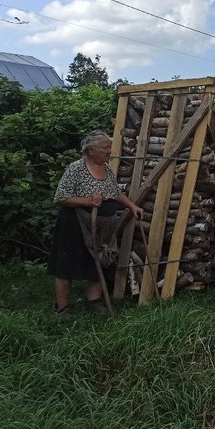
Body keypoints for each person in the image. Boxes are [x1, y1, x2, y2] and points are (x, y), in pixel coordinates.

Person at [47, 130, 143, 314]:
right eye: (106, 147)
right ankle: (62, 307)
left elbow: (115, 192)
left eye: (110, 147)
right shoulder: (76, 168)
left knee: (100, 261)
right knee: (67, 264)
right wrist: (87, 201)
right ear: (91, 150)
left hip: (102, 227)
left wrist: (132, 206)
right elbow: (61, 197)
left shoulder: (106, 168)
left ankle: (94, 301)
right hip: (75, 224)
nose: (109, 151)